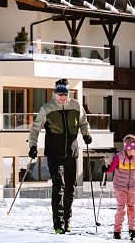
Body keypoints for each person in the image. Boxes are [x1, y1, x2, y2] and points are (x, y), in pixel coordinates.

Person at [28, 78, 92, 233]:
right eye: (60, 93)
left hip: (71, 152)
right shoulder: (47, 108)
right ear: (55, 93)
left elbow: (83, 122)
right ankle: (58, 223)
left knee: (70, 188)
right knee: (59, 187)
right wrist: (33, 146)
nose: (63, 96)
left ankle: (67, 220)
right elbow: (35, 129)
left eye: (65, 93)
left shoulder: (76, 105)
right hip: (54, 153)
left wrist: (86, 134)